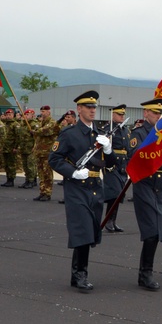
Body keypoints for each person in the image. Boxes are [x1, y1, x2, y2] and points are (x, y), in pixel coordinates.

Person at [48, 91, 113, 291]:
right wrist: (73, 173)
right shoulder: (69, 133)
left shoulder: (100, 135)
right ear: (79, 109)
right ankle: (80, 274)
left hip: (95, 187)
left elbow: (109, 165)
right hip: (76, 187)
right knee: (82, 230)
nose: (93, 110)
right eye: (88, 107)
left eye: (94, 107)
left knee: (91, 230)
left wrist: (109, 151)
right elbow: (55, 159)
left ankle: (77, 274)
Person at [127, 97, 162, 291]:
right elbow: (134, 156)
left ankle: (145, 272)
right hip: (145, 184)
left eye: (160, 112)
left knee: (160, 230)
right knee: (151, 231)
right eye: (155, 112)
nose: (158, 116)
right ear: (146, 113)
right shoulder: (138, 133)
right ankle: (145, 273)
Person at [102, 104, 129, 232]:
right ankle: (108, 220)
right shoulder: (108, 129)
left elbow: (127, 148)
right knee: (114, 193)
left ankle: (113, 220)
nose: (122, 117)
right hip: (112, 165)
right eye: (119, 114)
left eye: (123, 115)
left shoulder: (125, 130)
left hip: (122, 166)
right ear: (113, 115)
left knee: (119, 194)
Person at [30, 105, 61, 201]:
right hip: (39, 152)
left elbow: (45, 131)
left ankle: (47, 192)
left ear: (49, 112)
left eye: (44, 111)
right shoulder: (40, 123)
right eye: (41, 111)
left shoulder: (52, 123)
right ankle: (42, 191)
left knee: (47, 173)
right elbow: (38, 138)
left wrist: (34, 131)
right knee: (41, 173)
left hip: (47, 152)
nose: (42, 113)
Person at [17, 109, 37, 189]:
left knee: (30, 165)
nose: (26, 116)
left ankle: (32, 181)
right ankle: (27, 180)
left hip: (30, 148)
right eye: (25, 115)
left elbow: (37, 138)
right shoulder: (23, 124)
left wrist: (35, 147)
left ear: (32, 115)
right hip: (24, 148)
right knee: (25, 165)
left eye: (28, 115)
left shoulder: (34, 124)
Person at [0, 108, 19, 186]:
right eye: (7, 115)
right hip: (5, 148)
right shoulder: (4, 124)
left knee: (12, 165)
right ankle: (8, 179)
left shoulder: (15, 124)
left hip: (12, 147)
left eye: (10, 115)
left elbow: (18, 137)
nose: (8, 116)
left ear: (13, 115)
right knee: (6, 165)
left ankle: (11, 180)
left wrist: (16, 147)